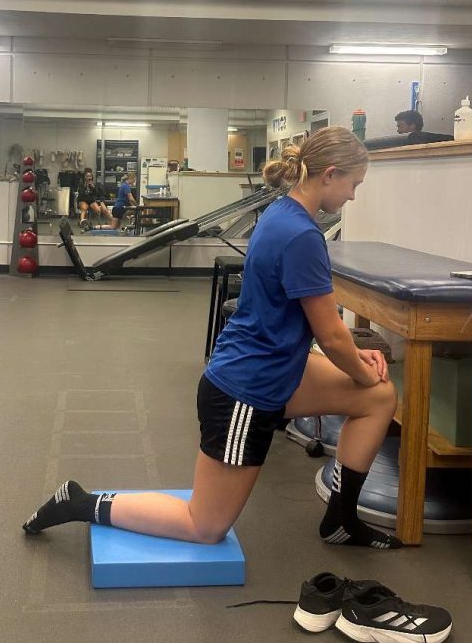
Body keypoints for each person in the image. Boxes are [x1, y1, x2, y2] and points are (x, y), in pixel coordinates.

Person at [23, 126, 401, 550]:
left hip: (275, 368)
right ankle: (81, 502)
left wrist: (361, 365)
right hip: (246, 390)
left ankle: (340, 519)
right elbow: (330, 338)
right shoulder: (301, 235)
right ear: (330, 174)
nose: (353, 196)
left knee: (378, 398)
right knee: (204, 527)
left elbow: (315, 323)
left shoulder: (284, 212)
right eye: (354, 185)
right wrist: (362, 368)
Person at [77, 167, 109, 231]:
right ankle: (82, 221)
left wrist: (93, 188)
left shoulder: (93, 184)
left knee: (98, 210)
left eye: (90, 176)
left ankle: (99, 223)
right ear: (85, 177)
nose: (89, 178)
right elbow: (81, 194)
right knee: (84, 208)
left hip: (91, 200)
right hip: (83, 200)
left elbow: (96, 194)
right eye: (87, 176)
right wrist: (85, 187)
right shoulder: (81, 184)